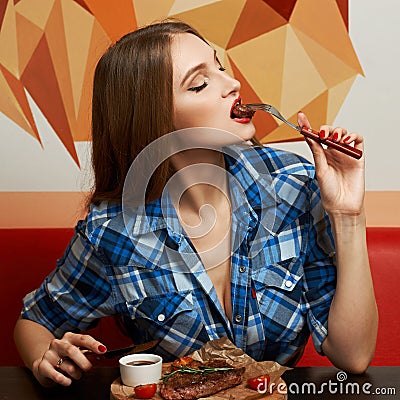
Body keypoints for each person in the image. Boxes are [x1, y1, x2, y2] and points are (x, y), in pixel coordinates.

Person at [14, 20, 378, 387]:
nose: (232, 84)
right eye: (200, 83)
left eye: (219, 67)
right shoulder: (115, 230)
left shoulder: (294, 186)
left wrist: (348, 216)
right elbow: (34, 323)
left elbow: (353, 356)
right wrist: (45, 359)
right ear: (153, 119)